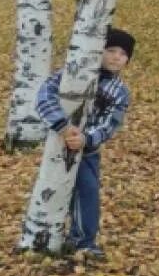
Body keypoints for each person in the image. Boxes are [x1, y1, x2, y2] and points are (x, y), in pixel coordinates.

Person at [34, 27, 135, 259]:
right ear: (98, 50)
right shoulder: (73, 74)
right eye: (111, 50)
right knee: (52, 188)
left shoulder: (119, 92)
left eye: (123, 53)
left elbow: (111, 124)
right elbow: (44, 95)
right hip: (57, 144)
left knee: (88, 191)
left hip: (87, 151)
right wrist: (62, 126)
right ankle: (40, 231)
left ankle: (83, 241)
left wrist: (86, 138)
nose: (116, 56)